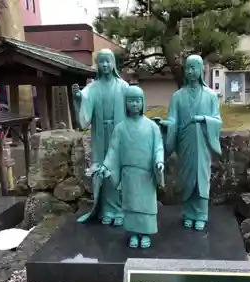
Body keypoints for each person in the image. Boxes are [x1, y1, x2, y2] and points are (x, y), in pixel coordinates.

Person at [155, 55, 222, 231]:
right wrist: (165, 125)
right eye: (188, 68)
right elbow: (173, 120)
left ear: (201, 70)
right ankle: (188, 213)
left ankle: (200, 214)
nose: (191, 71)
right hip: (185, 143)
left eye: (195, 67)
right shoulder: (178, 96)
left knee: (201, 178)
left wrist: (203, 120)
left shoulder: (210, 96)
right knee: (186, 178)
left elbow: (217, 120)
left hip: (202, 142)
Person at [98, 86, 164, 248]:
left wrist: (159, 161)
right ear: (125, 104)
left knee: (146, 205)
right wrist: (106, 166)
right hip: (129, 174)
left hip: (146, 174)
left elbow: (158, 147)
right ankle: (134, 233)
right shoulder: (120, 128)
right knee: (130, 205)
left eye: (137, 101)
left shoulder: (152, 127)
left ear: (143, 103)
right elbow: (113, 150)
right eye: (131, 101)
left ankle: (146, 233)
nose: (134, 104)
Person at [73, 49, 128, 226]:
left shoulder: (123, 86)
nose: (105, 65)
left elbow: (134, 109)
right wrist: (78, 98)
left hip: (118, 133)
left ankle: (120, 210)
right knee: (102, 169)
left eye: (108, 61)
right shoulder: (93, 87)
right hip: (99, 135)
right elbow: (85, 103)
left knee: (117, 169)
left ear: (113, 64)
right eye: (101, 62)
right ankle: (106, 209)